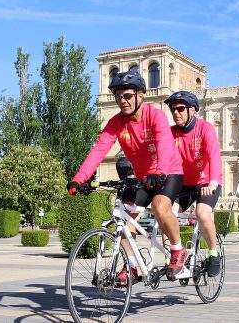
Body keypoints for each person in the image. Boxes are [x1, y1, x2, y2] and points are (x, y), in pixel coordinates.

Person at [66, 67, 187, 285]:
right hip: (141, 177)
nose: (122, 100)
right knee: (122, 221)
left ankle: (178, 249)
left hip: (168, 171)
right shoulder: (116, 123)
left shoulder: (155, 116)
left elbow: (164, 145)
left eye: (128, 95)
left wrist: (158, 171)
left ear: (141, 94)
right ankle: (132, 266)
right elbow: (99, 149)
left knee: (160, 207)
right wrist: (80, 178)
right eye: (118, 96)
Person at [163, 91, 223, 277]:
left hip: (206, 181)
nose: (176, 113)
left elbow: (214, 155)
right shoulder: (171, 133)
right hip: (184, 184)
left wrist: (212, 183)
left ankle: (213, 254)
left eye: (180, 108)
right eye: (173, 109)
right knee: (165, 214)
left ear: (193, 110)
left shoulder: (205, 128)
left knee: (202, 214)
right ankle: (174, 256)